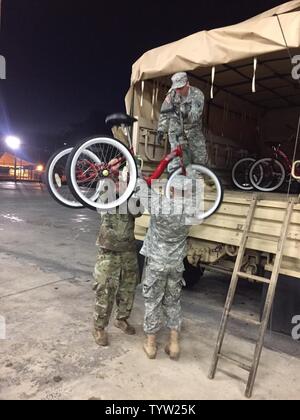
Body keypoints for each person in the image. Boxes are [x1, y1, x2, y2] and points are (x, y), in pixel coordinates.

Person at [140, 179, 191, 360]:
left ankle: (151, 344)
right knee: (173, 301)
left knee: (153, 301)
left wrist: (137, 173)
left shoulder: (160, 206)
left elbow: (141, 189)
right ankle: (174, 343)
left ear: (171, 190)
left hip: (157, 263)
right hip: (176, 265)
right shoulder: (190, 210)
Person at [92, 196, 142, 347]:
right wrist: (116, 190)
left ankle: (121, 319)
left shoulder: (132, 189)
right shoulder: (106, 186)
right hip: (108, 249)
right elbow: (99, 206)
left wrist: (132, 193)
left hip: (128, 249)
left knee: (128, 287)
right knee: (105, 289)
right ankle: (99, 327)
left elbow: (138, 212)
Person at [157, 72, 208, 172]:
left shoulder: (197, 95)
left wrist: (184, 111)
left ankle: (198, 183)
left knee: (200, 158)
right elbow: (164, 112)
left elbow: (195, 117)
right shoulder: (172, 94)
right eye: (176, 88)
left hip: (193, 132)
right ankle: (174, 182)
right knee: (176, 160)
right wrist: (161, 130)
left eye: (180, 88)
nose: (178, 90)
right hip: (176, 132)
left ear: (187, 84)